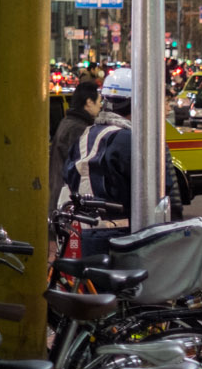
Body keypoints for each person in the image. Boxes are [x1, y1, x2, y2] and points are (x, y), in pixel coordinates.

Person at [59, 67, 181, 254]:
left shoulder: (87, 134)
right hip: (122, 239)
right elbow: (162, 189)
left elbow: (68, 175)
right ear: (137, 104)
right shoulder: (131, 141)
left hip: (83, 233)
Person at [49, 82, 101, 211]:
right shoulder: (78, 129)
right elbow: (79, 169)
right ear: (89, 102)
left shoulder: (69, 122)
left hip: (59, 195)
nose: (100, 106)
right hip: (66, 201)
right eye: (99, 101)